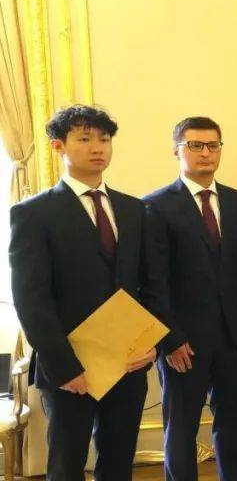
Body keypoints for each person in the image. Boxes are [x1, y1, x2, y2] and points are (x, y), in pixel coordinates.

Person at [10, 104, 165, 480]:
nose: (97, 147)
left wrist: (151, 344)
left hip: (128, 361)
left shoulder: (133, 209)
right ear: (58, 146)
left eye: (104, 139)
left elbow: (151, 284)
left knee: (118, 461)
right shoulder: (34, 213)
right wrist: (65, 367)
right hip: (69, 366)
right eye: (84, 139)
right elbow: (31, 299)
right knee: (67, 464)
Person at [144, 116, 237, 481]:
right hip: (183, 342)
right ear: (176, 151)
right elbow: (153, 283)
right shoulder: (154, 206)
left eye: (213, 145)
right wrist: (169, 338)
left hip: (236, 336)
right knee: (181, 429)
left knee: (232, 426)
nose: (205, 153)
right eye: (195, 145)